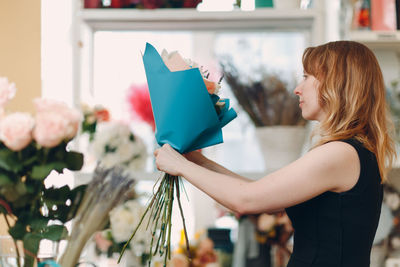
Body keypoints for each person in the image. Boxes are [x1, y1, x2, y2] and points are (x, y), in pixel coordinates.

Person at [154, 40, 397, 267]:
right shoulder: (349, 151)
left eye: (307, 77)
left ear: (337, 83)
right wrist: (196, 160)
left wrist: (181, 166)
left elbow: (246, 199)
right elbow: (260, 195)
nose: (297, 89)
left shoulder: (340, 153)